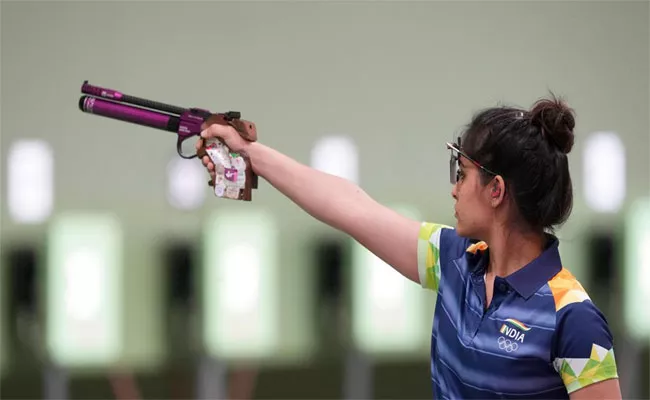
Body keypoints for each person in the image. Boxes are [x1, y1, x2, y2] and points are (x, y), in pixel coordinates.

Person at [196, 95, 621, 400]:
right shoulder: (455, 260)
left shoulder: (573, 320)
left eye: (463, 173)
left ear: (496, 190)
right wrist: (251, 154)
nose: (454, 189)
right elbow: (351, 207)